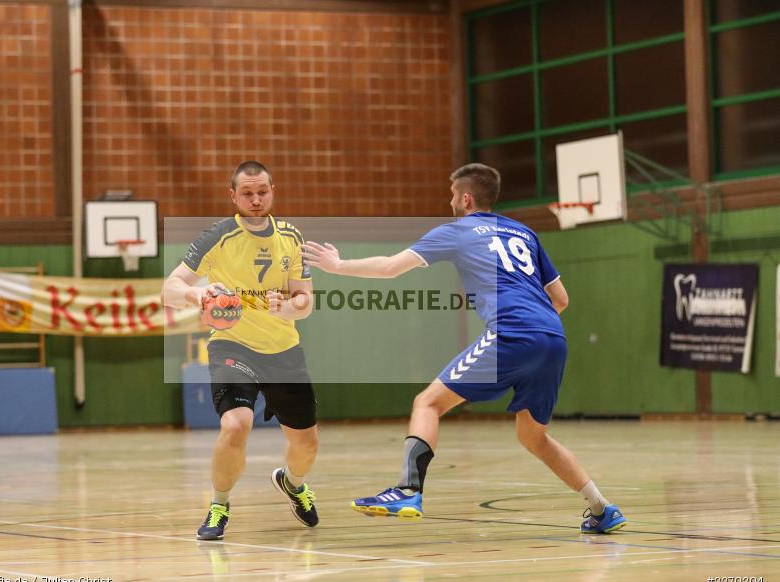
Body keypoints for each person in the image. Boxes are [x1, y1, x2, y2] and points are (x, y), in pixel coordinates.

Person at [301, 163, 626, 534]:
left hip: (512, 332)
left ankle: (408, 491)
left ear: (466, 198)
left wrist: (338, 265)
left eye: (453, 194)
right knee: (532, 436)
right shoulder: (524, 232)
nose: (450, 201)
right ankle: (602, 509)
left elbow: (390, 267)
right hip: (553, 337)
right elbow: (562, 299)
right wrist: (534, 327)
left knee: (427, 403)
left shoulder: (457, 231)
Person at [162, 161, 319, 540]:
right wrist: (197, 293)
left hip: (283, 350)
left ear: (273, 191)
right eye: (247, 193)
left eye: (262, 192)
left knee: (306, 444)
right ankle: (219, 506)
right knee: (235, 425)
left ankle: (293, 483)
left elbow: (306, 300)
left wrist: (287, 307)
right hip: (233, 346)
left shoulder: (291, 237)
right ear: (233, 196)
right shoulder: (217, 237)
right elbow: (169, 288)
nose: (256, 199)